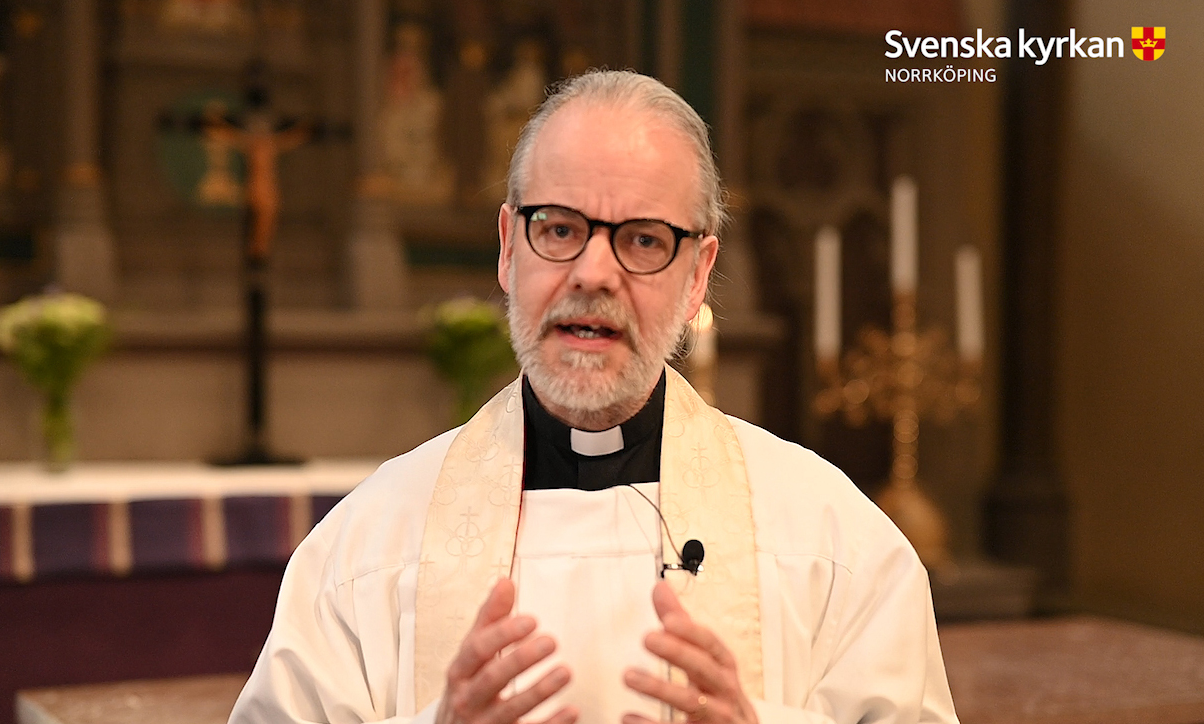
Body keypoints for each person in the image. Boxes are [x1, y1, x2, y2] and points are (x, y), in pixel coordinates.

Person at [229, 70, 958, 724]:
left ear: (698, 275)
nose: (593, 273)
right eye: (560, 229)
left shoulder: (833, 542)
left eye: (642, 241)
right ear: (508, 247)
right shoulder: (368, 546)